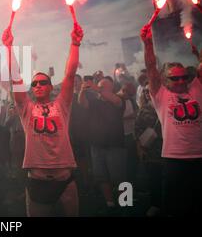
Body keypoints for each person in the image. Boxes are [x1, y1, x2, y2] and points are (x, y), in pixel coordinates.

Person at [2, 22, 84, 217]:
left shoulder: (61, 105)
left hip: (65, 178)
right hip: (37, 179)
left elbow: (70, 75)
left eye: (43, 82)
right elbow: (16, 78)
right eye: (35, 83)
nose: (38, 85)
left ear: (50, 86)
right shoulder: (26, 108)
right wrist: (9, 47)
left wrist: (75, 45)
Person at [140, 23, 202, 216]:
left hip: (200, 157)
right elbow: (151, 66)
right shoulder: (160, 94)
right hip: (174, 159)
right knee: (175, 207)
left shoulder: (196, 88)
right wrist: (148, 42)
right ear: (165, 80)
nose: (181, 81)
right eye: (175, 79)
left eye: (183, 77)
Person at [78, 76, 127, 216]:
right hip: (97, 145)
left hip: (115, 145)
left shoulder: (119, 100)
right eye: (100, 87)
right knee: (102, 177)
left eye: (104, 87)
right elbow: (82, 103)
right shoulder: (95, 102)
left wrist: (97, 88)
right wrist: (82, 91)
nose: (101, 89)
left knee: (120, 177)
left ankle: (126, 203)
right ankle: (110, 204)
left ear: (111, 88)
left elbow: (115, 100)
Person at [134, 82, 163, 217]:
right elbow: (137, 130)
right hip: (151, 151)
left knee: (169, 179)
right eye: (145, 92)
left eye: (150, 91)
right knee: (154, 179)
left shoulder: (166, 106)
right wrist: (140, 147)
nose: (147, 94)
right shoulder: (144, 110)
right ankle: (156, 204)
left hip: (168, 149)